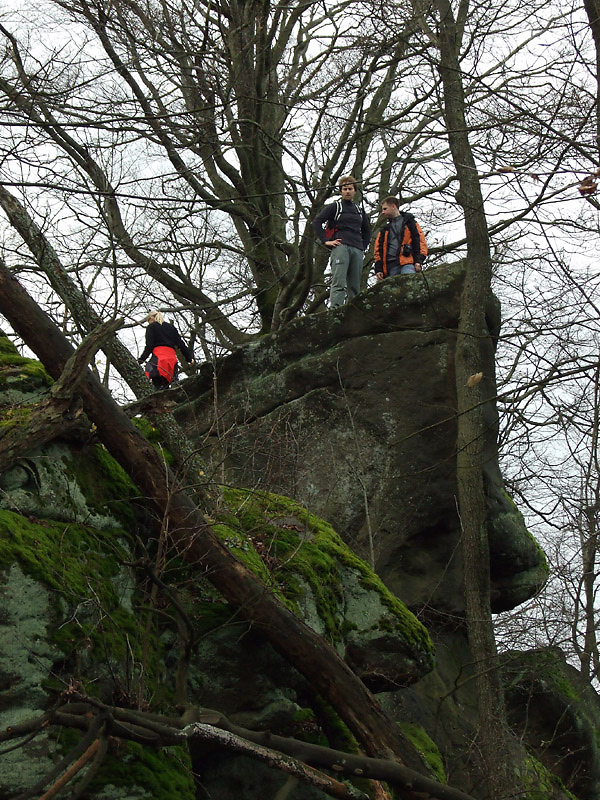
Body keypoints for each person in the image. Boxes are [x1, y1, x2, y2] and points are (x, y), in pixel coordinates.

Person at [312, 175, 371, 308]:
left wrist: (363, 246)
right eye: (344, 189)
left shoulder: (359, 211)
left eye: (350, 188)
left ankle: (355, 313)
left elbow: (367, 231)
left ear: (355, 191)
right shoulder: (335, 207)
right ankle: (335, 311)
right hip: (341, 247)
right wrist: (326, 241)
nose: (347, 191)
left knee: (355, 285)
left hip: (357, 249)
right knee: (339, 281)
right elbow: (316, 222)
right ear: (341, 191)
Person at [138, 311, 195, 390]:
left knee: (152, 377)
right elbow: (181, 344)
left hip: (159, 360)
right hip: (172, 360)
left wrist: (141, 360)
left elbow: (149, 346)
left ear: (151, 319)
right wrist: (189, 358)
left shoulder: (151, 327)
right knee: (169, 387)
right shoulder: (171, 328)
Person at [373, 197, 427, 280]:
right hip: (390, 267)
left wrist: (418, 261)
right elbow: (378, 252)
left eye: (385, 209)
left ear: (393, 206)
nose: (383, 212)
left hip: (407, 263)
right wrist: (379, 269)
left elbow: (420, 241)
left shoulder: (410, 223)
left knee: (408, 284)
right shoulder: (384, 230)